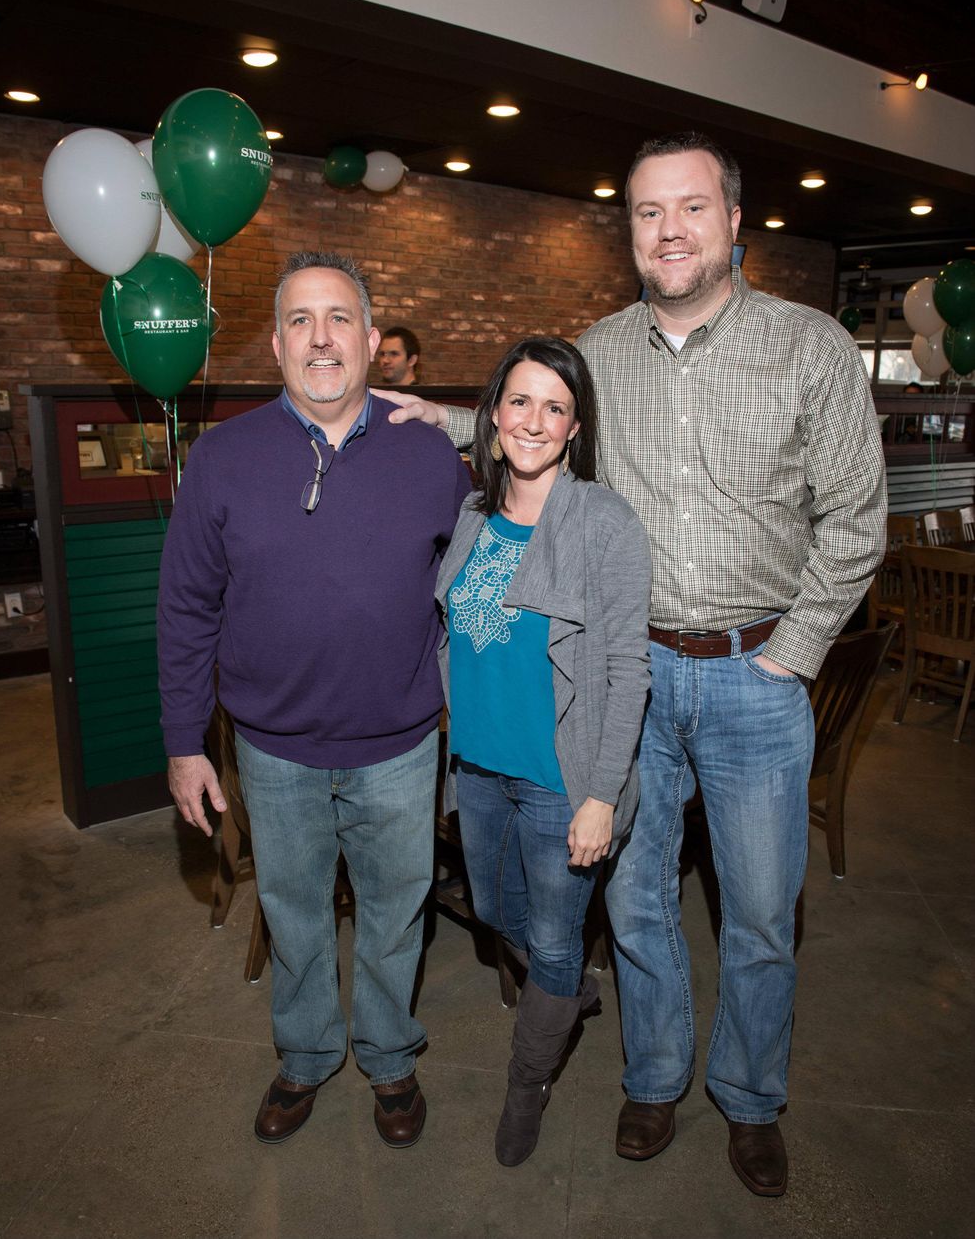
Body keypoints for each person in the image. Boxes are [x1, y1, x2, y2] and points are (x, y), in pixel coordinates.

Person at [377, 132, 886, 1196]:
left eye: (690, 207)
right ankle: (652, 1077)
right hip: (629, 675)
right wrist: (440, 415)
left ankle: (747, 1096)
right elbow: (529, 421)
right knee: (638, 902)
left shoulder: (810, 345)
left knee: (755, 914)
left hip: (757, 673)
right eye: (647, 212)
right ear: (629, 231)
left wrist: (788, 657)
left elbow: (853, 521)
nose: (667, 230)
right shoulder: (598, 350)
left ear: (734, 221)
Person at [158, 251, 470, 1150]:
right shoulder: (222, 457)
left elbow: (500, 533)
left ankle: (388, 1053)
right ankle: (303, 1055)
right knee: (294, 912)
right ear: (276, 344)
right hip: (274, 748)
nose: (321, 337)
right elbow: (184, 605)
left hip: (403, 745)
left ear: (373, 342)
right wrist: (186, 743)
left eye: (339, 318)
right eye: (301, 320)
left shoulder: (427, 452)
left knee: (393, 910)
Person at [436, 336, 651, 1167]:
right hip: (482, 768)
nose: (534, 419)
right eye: (519, 401)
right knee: (494, 912)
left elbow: (629, 667)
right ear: (494, 414)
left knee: (557, 940)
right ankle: (565, 994)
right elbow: (451, 634)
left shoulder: (604, 522)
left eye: (553, 406)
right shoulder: (472, 514)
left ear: (574, 426)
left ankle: (528, 1081)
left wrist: (602, 792)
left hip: (562, 779)